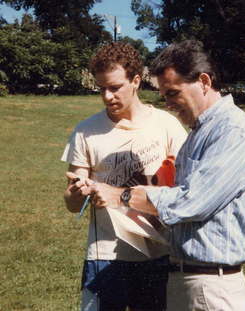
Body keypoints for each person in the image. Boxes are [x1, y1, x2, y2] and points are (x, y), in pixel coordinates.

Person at [83, 40, 245, 311]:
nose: (168, 104)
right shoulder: (199, 131)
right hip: (187, 280)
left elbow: (190, 201)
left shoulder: (233, 131)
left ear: (204, 81)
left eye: (173, 93)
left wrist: (120, 195)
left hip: (211, 288)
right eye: (164, 96)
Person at [61, 42, 187, 311]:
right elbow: (72, 205)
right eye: (101, 88)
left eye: (115, 87)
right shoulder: (86, 131)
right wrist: (75, 192)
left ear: (136, 81)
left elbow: (185, 190)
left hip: (160, 254)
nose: (107, 96)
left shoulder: (166, 126)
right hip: (104, 256)